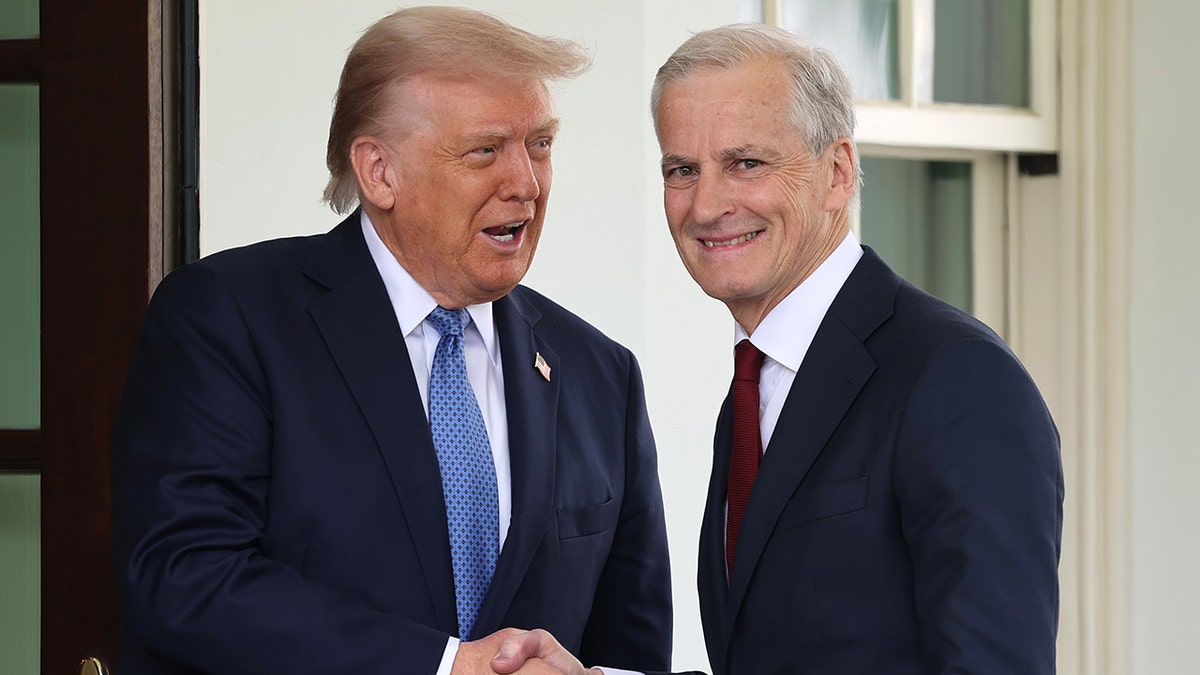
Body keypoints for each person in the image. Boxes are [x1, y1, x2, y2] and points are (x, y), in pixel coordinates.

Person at [109, 7, 672, 674]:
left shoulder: (600, 372)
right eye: (486, 149)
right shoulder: (228, 318)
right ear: (379, 172)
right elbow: (185, 576)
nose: (526, 182)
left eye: (541, 144)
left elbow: (627, 645)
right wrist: (441, 664)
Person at [495, 21, 1064, 675]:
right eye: (683, 169)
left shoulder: (959, 378)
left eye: (746, 163)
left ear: (837, 173)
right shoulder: (754, 387)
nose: (706, 205)